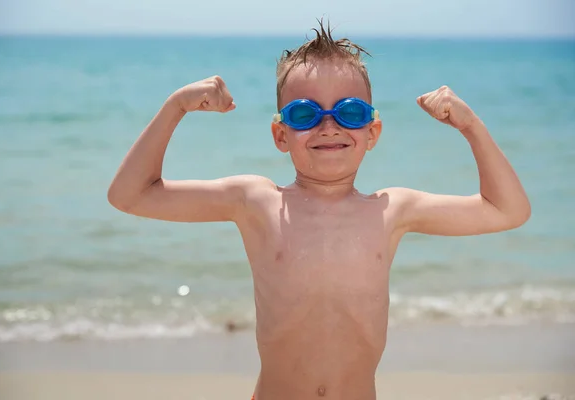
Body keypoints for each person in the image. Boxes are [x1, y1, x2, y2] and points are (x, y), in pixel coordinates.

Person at [107, 20, 531, 400]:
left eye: (349, 112)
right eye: (305, 113)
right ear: (280, 134)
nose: (329, 125)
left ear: (372, 131)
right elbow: (130, 194)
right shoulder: (256, 201)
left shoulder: (392, 209)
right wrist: (176, 105)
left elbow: (507, 210)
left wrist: (470, 125)